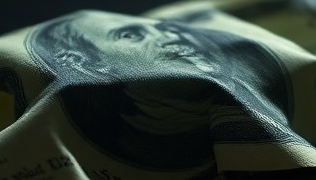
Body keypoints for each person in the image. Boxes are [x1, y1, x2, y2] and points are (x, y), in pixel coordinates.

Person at [26, 10, 295, 171]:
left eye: (159, 28)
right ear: (92, 65)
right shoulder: (130, 148)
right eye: (131, 36)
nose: (168, 36)